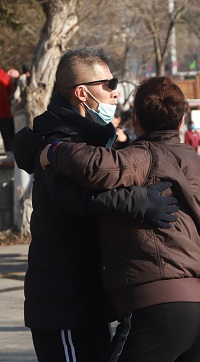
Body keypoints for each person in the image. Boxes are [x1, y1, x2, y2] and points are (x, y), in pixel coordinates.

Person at [41, 76, 200, 361]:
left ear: (136, 118)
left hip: (158, 305)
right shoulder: (196, 161)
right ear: (180, 121)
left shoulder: (142, 155)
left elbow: (92, 165)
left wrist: (51, 148)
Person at [13, 47, 180, 361]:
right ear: (81, 93)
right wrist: (140, 201)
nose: (116, 93)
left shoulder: (90, 137)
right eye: (109, 83)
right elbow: (74, 196)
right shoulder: (57, 140)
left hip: (91, 298)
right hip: (63, 300)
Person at [0, 67, 14, 154]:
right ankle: (10, 153)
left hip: (5, 111)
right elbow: (11, 91)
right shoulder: (4, 76)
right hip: (5, 111)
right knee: (7, 135)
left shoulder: (4, 76)